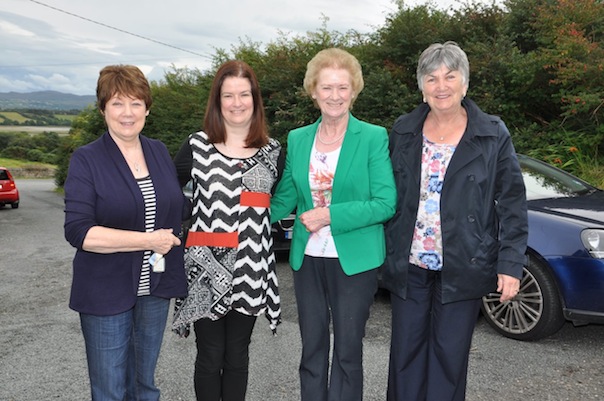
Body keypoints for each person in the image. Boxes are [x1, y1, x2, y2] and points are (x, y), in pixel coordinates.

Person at [382, 41, 529, 401]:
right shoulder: (403, 130)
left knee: (449, 359)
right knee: (404, 357)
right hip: (410, 264)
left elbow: (512, 202)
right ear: (421, 86)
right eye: (431, 78)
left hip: (464, 263)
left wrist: (510, 265)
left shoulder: (492, 133)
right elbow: (385, 195)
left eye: (450, 76)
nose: (441, 86)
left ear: (465, 83)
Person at [270, 48, 397, 401]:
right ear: (313, 91)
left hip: (355, 259)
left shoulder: (373, 137)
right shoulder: (298, 139)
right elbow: (286, 197)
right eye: (327, 88)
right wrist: (243, 218)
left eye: (343, 88)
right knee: (311, 348)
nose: (335, 96)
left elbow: (386, 203)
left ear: (354, 91)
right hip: (306, 258)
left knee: (346, 352)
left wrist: (329, 214)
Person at [63, 65, 188, 400]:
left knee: (144, 384)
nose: (128, 113)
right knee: (110, 390)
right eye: (117, 103)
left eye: (136, 103)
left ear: (147, 108)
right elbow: (80, 232)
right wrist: (149, 241)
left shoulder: (158, 151)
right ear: (103, 108)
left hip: (154, 289)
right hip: (105, 290)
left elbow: (172, 206)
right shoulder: (87, 159)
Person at [171, 60, 282, 401]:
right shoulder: (197, 146)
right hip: (205, 267)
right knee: (209, 355)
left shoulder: (273, 150)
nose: (237, 102)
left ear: (255, 99)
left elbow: (272, 204)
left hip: (252, 267)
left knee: (237, 355)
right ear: (217, 101)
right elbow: (169, 196)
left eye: (244, 94)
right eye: (228, 95)